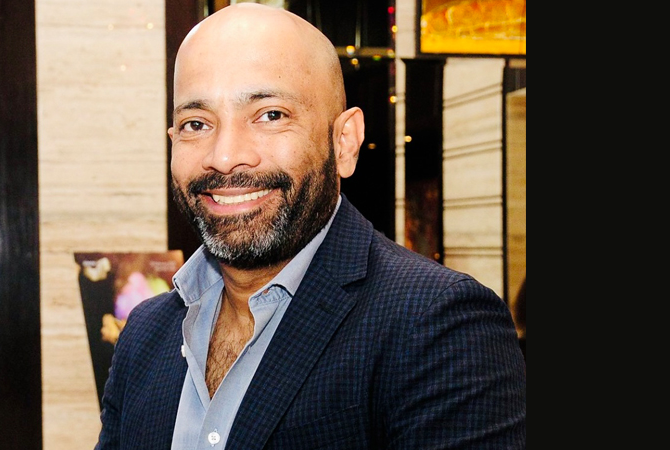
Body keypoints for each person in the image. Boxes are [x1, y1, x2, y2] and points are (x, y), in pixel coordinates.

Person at [94, 3, 526, 449]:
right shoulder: (144, 334)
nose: (223, 156)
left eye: (270, 115)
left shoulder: (440, 325)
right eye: (196, 124)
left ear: (344, 142)